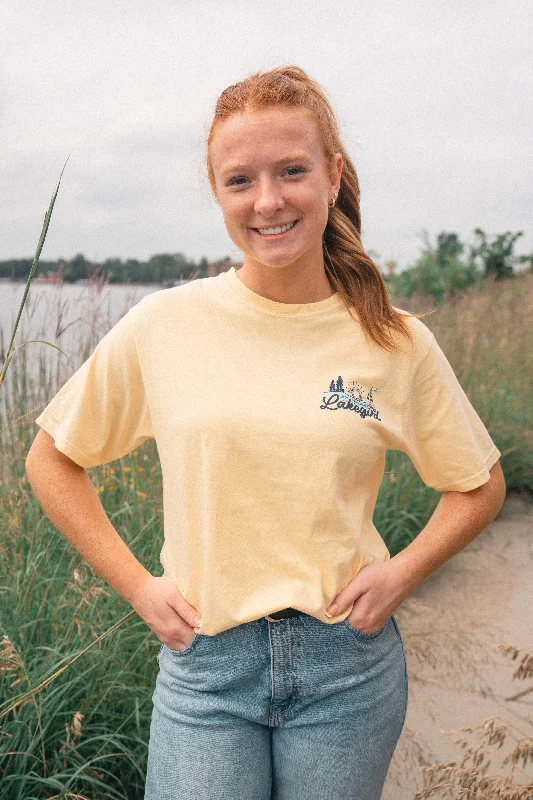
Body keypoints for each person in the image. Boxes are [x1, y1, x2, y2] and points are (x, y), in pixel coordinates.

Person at [26, 65, 506, 800]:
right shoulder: (166, 324)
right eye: (239, 180)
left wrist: (400, 574)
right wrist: (137, 588)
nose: (268, 201)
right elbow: (53, 458)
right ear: (217, 193)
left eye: (291, 171)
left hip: (346, 669)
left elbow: (477, 486)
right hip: (206, 671)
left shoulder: (393, 339)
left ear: (332, 175)